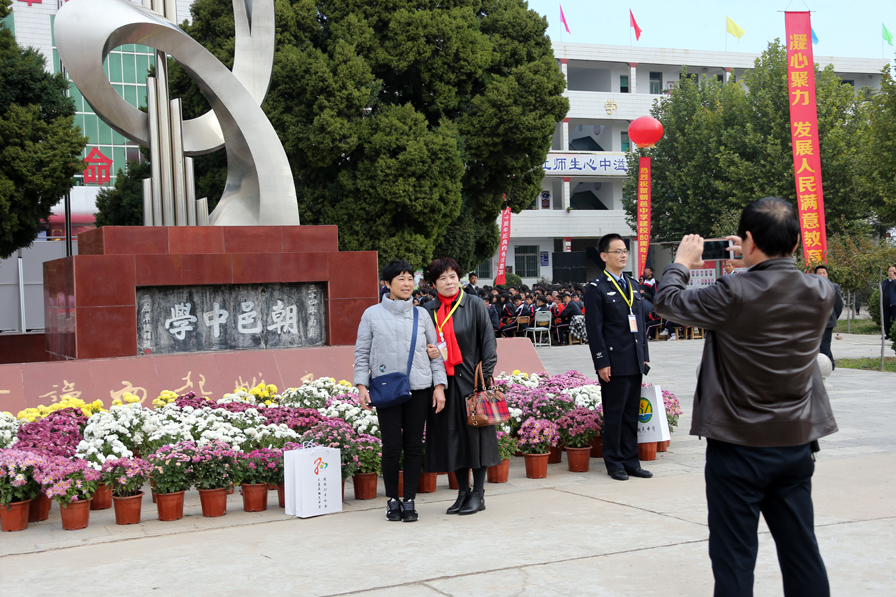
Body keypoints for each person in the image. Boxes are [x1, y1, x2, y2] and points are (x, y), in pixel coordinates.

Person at [653, 197, 837, 597]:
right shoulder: (823, 291)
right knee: (802, 553)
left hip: (739, 446)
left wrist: (682, 262)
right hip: (796, 443)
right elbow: (778, 289)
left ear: (748, 240)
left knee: (735, 557)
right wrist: (753, 265)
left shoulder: (732, 291)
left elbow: (667, 301)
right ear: (796, 242)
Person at [354, 260, 447, 523]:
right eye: (401, 279)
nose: (407, 284)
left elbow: (436, 353)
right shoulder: (371, 314)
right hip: (386, 390)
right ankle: (392, 500)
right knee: (392, 446)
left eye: (410, 279)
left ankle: (409, 501)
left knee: (414, 446)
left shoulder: (422, 315)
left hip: (419, 388)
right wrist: (362, 385)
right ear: (387, 283)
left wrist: (439, 386)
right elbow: (361, 353)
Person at [422, 257, 500, 516]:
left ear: (459, 278)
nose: (448, 282)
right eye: (442, 278)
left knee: (475, 437)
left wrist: (483, 379)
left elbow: (489, 344)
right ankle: (462, 492)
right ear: (434, 283)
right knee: (450, 437)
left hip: (471, 382)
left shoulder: (474, 304)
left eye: (452, 276)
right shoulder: (428, 309)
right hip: (442, 384)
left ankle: (478, 493)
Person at [584, 235, 651, 481]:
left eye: (625, 251)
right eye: (617, 251)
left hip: (634, 360)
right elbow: (595, 329)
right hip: (613, 362)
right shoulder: (596, 288)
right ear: (604, 256)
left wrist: (644, 356)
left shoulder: (633, 285)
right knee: (615, 413)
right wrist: (601, 362)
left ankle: (632, 461)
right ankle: (614, 463)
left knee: (631, 413)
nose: (623, 255)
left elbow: (640, 323)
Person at [814, 265, 843, 369]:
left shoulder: (834, 287)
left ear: (827, 275)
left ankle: (824, 367)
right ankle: (831, 363)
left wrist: (834, 316)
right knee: (817, 343)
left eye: (824, 273)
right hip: (814, 321)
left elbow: (839, 305)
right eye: (819, 273)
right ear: (815, 275)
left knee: (825, 344)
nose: (822, 275)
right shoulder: (811, 287)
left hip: (828, 320)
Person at [884, 265, 896, 339]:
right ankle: (888, 334)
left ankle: (894, 334)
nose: (891, 273)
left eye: (893, 271)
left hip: (894, 303)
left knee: (894, 319)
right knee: (886, 319)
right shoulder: (885, 281)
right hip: (886, 303)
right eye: (890, 271)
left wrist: (895, 280)